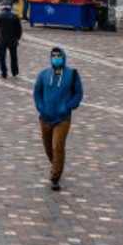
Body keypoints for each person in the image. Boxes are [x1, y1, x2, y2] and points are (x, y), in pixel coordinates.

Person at [33, 46, 84, 191]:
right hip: (45, 117)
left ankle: (55, 177)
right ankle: (56, 163)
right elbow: (37, 93)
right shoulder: (43, 74)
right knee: (48, 147)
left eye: (58, 56)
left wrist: (69, 106)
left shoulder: (72, 74)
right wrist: (40, 107)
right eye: (53, 56)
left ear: (63, 57)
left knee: (58, 146)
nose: (56, 58)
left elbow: (78, 93)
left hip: (62, 118)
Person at [0, 2, 22, 78]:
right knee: (13, 57)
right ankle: (14, 71)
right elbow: (19, 29)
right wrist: (17, 38)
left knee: (2, 57)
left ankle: (4, 72)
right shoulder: (15, 17)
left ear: (2, 8)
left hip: (2, 40)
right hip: (13, 39)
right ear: (10, 8)